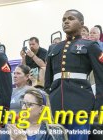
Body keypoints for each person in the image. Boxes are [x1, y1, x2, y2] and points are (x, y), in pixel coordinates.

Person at [45, 9, 103, 140]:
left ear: (81, 24)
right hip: (56, 105)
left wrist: (99, 106)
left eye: (70, 19)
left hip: (81, 104)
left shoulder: (90, 45)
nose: (66, 21)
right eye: (64, 19)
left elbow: (101, 77)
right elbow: (48, 81)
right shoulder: (54, 48)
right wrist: (50, 99)